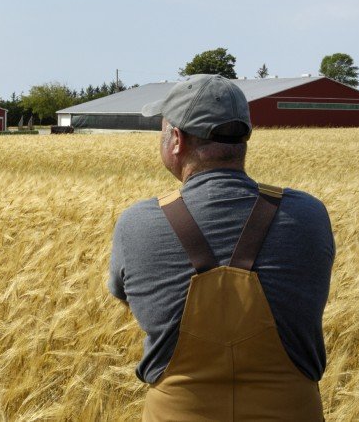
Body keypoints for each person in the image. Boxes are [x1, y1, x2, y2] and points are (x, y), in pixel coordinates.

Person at [108, 74, 334, 421]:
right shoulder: (310, 214)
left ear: (177, 140)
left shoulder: (137, 224)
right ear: (243, 137)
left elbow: (127, 296)